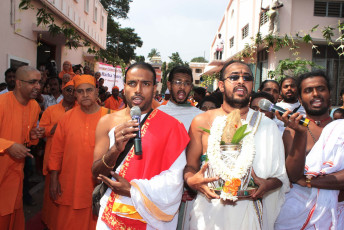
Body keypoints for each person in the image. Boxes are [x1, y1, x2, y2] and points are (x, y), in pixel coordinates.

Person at [184, 60, 289, 230]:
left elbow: (280, 176)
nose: (241, 81)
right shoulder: (201, 121)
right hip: (209, 214)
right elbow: (190, 166)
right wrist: (191, 180)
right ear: (221, 85)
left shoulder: (267, 125)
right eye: (234, 77)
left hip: (251, 212)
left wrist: (268, 185)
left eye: (246, 78)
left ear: (252, 86)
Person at [92, 62, 190, 229]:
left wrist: (132, 190)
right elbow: (96, 173)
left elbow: (174, 181)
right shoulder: (107, 122)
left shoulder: (172, 126)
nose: (138, 89)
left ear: (154, 88)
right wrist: (115, 149)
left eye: (145, 84)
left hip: (152, 220)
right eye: (132, 83)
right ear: (124, 87)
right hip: (112, 216)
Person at [274, 70, 344, 229]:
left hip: (338, 214)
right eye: (308, 90)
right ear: (300, 98)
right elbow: (293, 175)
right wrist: (300, 134)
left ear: (329, 93)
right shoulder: (291, 131)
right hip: (297, 214)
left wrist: (309, 181)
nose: (315, 94)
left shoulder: (341, 128)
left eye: (321, 88)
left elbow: (301, 179)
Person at [48, 75, 111, 230]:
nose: (85, 95)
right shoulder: (66, 118)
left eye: (89, 90)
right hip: (71, 183)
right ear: (75, 94)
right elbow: (56, 151)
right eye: (80, 91)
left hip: (99, 185)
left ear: (97, 92)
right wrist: (54, 179)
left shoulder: (110, 116)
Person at [157, 66, 203, 230]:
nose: (182, 87)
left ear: (191, 87)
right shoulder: (157, 113)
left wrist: (191, 185)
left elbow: (201, 155)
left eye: (187, 83)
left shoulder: (200, 117)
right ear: (169, 85)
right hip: (161, 187)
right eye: (178, 82)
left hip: (189, 189)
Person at [0, 66, 44, 229]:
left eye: (39, 82)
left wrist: (33, 136)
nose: (38, 86)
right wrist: (8, 146)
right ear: (18, 83)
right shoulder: (1, 103)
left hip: (16, 172)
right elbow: (11, 142)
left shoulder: (34, 107)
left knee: (13, 213)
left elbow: (27, 140)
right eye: (33, 82)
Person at [39, 80, 76, 229]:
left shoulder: (80, 111)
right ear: (62, 90)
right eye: (68, 90)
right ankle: (49, 223)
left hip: (72, 163)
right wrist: (54, 129)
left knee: (68, 196)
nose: (71, 93)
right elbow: (41, 132)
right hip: (53, 161)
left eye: (74, 91)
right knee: (52, 196)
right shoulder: (51, 111)